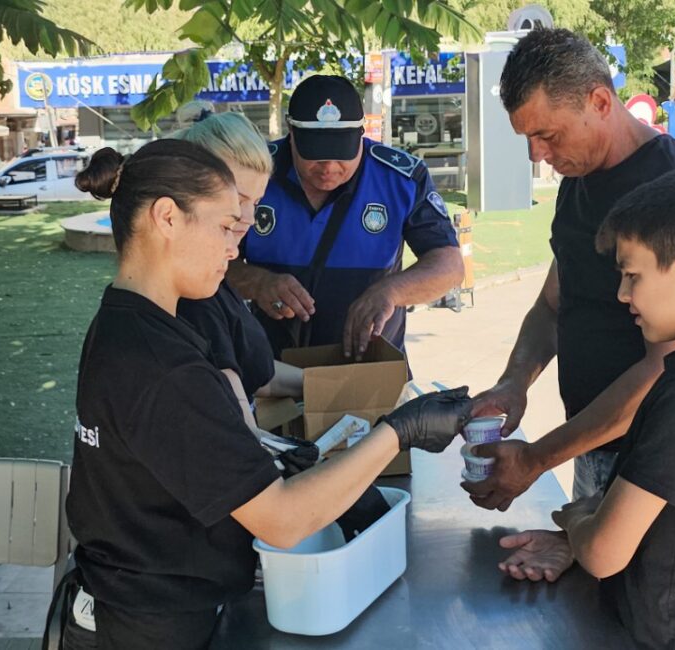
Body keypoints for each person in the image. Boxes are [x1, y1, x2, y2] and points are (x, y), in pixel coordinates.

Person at [63, 140, 472, 649]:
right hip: (149, 626)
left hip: (139, 603)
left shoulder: (129, 323)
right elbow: (282, 519)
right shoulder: (161, 363)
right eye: (223, 227)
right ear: (167, 218)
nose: (235, 249)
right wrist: (401, 430)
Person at [497, 168, 675, 650]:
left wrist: (578, 521)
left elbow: (604, 553)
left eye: (632, 276)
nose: (622, 295)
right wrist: (575, 544)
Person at [465, 28, 675, 510]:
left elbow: (664, 368)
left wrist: (535, 459)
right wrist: (514, 382)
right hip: (594, 449)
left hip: (657, 466)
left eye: (547, 135)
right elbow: (555, 306)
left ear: (600, 101)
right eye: (528, 138)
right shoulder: (577, 183)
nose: (537, 155)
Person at [226, 74, 463, 360]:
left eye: (341, 154)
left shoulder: (401, 179)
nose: (329, 168)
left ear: (361, 134)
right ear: (291, 134)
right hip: (269, 371)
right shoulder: (254, 171)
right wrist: (257, 281)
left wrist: (391, 291)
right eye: (315, 154)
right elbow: (207, 257)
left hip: (369, 374)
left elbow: (449, 265)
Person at [171, 103, 304, 433]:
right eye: (238, 198)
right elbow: (249, 454)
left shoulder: (213, 278)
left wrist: (332, 383)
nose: (246, 217)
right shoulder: (192, 295)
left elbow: (253, 371)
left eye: (256, 202)